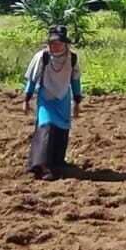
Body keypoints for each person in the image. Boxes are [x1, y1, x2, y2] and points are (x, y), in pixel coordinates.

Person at [24, 25, 83, 181]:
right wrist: (27, 98)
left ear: (65, 44)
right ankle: (41, 166)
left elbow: (75, 80)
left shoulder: (72, 58)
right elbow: (32, 79)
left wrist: (77, 101)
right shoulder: (42, 57)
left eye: (58, 43)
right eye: (52, 43)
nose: (54, 46)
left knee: (62, 129)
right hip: (46, 98)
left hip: (63, 98)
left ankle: (57, 161)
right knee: (46, 127)